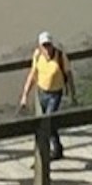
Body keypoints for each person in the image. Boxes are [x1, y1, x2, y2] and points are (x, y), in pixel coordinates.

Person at [21, 31, 72, 162]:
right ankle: (58, 148)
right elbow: (33, 75)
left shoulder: (60, 56)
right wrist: (25, 95)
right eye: (44, 45)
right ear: (39, 46)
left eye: (48, 45)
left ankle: (44, 154)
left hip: (55, 94)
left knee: (47, 123)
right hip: (41, 93)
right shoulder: (38, 56)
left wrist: (72, 92)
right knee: (49, 123)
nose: (46, 48)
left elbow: (68, 74)